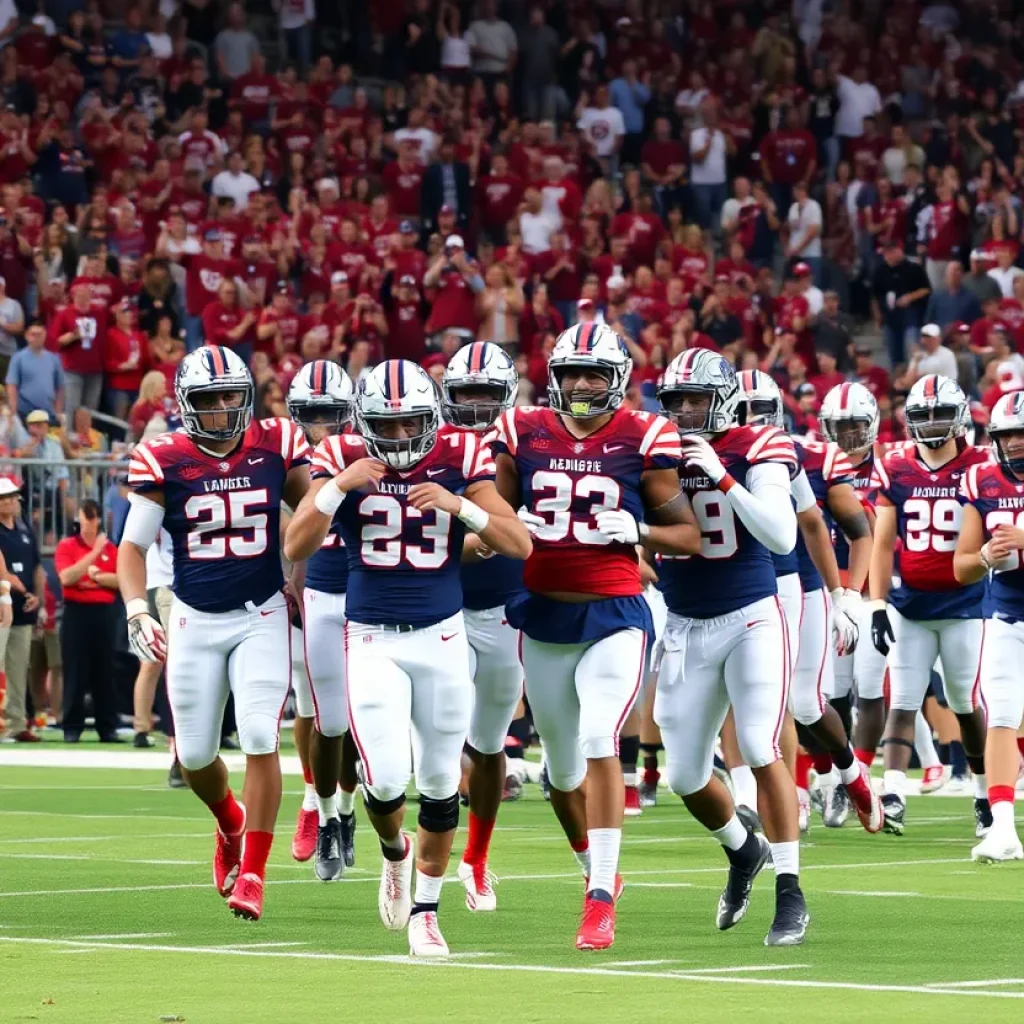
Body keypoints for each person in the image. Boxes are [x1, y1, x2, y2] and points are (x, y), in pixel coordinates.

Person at [284, 358, 530, 957]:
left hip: (442, 637)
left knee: (444, 780)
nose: (398, 438)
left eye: (410, 424)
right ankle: (394, 853)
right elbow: (295, 544)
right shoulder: (340, 452)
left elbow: (519, 542)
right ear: (363, 423)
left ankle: (426, 911)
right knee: (387, 777)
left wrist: (460, 506)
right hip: (370, 637)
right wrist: (339, 485)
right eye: (385, 426)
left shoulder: (461, 453)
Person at [490, 323, 700, 951]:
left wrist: (637, 529)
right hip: (545, 614)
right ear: (554, 377)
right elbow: (488, 524)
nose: (582, 386)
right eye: (572, 374)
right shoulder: (520, 432)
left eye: (594, 374)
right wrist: (503, 522)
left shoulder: (645, 435)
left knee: (599, 739)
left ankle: (600, 897)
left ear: (619, 379)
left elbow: (686, 536)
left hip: (613, 612)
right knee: (559, 773)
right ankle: (595, 867)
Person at [119, 345, 311, 922]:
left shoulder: (276, 443)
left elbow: (313, 514)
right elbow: (131, 547)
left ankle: (253, 871)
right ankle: (229, 821)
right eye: (211, 399)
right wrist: (135, 607)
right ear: (187, 404)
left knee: (258, 733)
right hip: (194, 615)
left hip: (261, 612)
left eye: (232, 396)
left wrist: (299, 576)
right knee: (196, 753)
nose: (225, 409)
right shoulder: (165, 459)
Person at [653, 349, 807, 946]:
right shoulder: (655, 447)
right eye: (677, 400)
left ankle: (791, 893)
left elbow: (781, 530)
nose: (686, 411)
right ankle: (744, 851)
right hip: (686, 624)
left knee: (761, 746)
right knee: (685, 774)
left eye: (696, 398)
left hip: (750, 615)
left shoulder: (759, 444)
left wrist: (720, 474)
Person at [733, 371, 880, 835]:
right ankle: (763, 797)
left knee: (805, 701)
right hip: (738, 589)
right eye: (743, 410)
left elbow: (857, 531)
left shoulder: (810, 456)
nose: (753, 420)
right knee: (748, 699)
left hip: (800, 584)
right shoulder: (710, 455)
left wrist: (847, 594)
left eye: (762, 411)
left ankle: (851, 773)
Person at [869, 375, 990, 838]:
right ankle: (895, 792)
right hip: (911, 602)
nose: (933, 423)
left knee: (963, 702)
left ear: (960, 417)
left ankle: (982, 794)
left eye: (942, 413)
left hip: (965, 602)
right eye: (924, 414)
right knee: (901, 699)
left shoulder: (981, 464)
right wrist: (878, 602)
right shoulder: (897, 466)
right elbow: (882, 544)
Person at [441, 342, 524, 910]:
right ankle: (422, 863)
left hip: (506, 608)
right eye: (464, 393)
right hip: (440, 606)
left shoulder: (528, 441)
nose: (473, 405)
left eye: (485, 394)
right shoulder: (432, 443)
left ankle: (476, 858)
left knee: (490, 743)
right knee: (441, 733)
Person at [284, 360, 359, 881]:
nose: (322, 425)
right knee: (314, 709)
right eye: (311, 415)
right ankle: (316, 800)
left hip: (364, 591)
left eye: (330, 414)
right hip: (309, 589)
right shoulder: (285, 455)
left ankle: (342, 805)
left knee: (359, 713)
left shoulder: (365, 449)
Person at [956, 391, 1024, 862]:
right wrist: (985, 556)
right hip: (1005, 615)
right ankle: (1002, 826)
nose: (1016, 444)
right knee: (1000, 714)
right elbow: (961, 567)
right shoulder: (981, 478)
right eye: (1007, 435)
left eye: (1022, 434)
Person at [817, 383, 890, 772]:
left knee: (872, 685)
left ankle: (860, 770)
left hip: (877, 591)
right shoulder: (818, 466)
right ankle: (841, 774)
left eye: (855, 426)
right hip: (833, 588)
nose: (847, 435)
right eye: (839, 426)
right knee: (834, 690)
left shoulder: (889, 467)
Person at [54, 500, 120, 743]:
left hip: (103, 612)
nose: (89, 523)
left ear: (99, 520)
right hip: (76, 612)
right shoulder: (67, 545)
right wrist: (94, 555)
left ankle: (107, 727)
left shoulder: (112, 549)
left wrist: (97, 577)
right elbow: (66, 577)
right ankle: (71, 726)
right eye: (85, 517)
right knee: (75, 670)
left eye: (93, 518)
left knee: (104, 670)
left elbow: (121, 581)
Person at [0, 478, 43, 742]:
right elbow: (3, 570)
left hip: (23, 608)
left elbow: (36, 566)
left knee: (18, 667)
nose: (11, 501)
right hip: (2, 604)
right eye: (5, 498)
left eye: (14, 497)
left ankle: (16, 723)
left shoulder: (25, 530)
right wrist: (21, 591)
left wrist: (37, 596)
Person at [6, 321, 64, 422]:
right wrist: (13, 412)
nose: (36, 338)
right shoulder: (18, 358)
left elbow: (60, 387)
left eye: (40, 334)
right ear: (27, 336)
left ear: (45, 335)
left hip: (48, 414)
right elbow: (12, 386)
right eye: (33, 334)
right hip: (24, 412)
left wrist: (58, 412)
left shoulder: (55, 359)